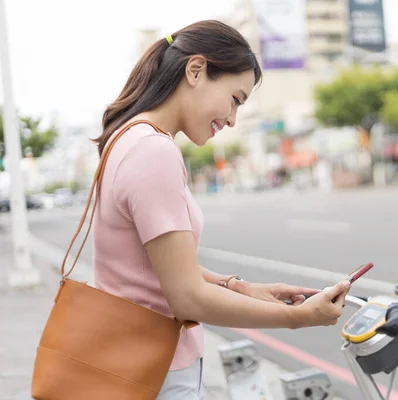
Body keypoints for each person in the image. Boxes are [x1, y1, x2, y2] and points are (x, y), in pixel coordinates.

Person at [91, 19, 351, 400]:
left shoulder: (129, 138)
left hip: (134, 363)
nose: (232, 120)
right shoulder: (153, 151)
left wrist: (241, 288)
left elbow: (148, 267)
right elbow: (186, 298)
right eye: (235, 99)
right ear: (196, 71)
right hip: (157, 372)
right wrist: (298, 318)